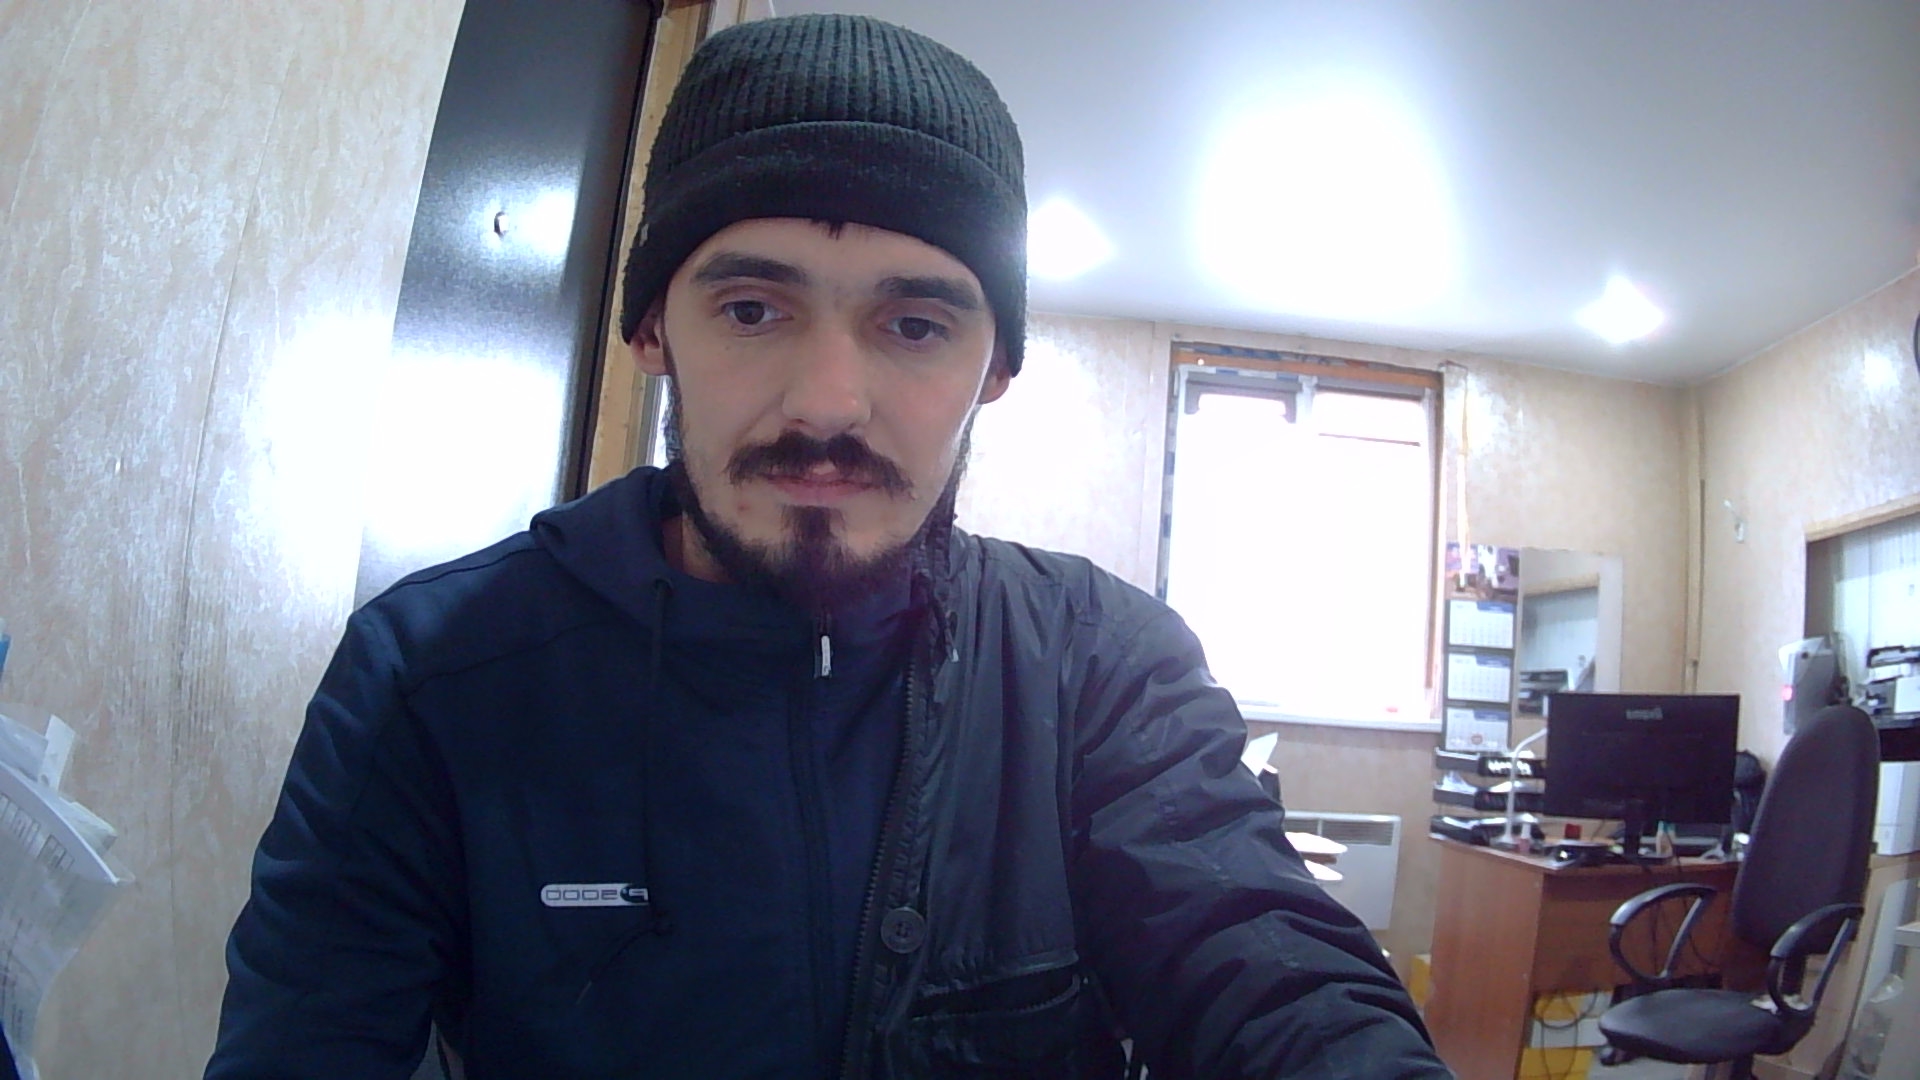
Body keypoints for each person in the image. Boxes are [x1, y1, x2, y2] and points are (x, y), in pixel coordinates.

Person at [206, 13, 1451, 1079]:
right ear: (653, 329)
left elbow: (1271, 974)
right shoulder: (434, 674)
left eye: (915, 326)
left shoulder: (1098, 664)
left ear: (994, 370)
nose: (827, 404)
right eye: (754, 308)